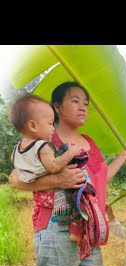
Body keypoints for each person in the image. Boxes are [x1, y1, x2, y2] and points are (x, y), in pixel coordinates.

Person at [8, 81, 126, 266]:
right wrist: (57, 181)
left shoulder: (88, 142)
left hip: (87, 228)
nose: (83, 106)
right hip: (57, 229)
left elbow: (98, 179)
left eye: (86, 103)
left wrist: (119, 159)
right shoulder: (42, 141)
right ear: (57, 107)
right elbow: (15, 180)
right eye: (75, 101)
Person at [9, 93, 88, 242]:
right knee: (78, 195)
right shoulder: (43, 146)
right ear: (32, 126)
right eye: (50, 124)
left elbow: (17, 171)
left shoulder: (16, 149)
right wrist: (71, 152)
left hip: (40, 197)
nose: (53, 128)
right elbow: (54, 166)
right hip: (54, 199)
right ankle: (75, 229)